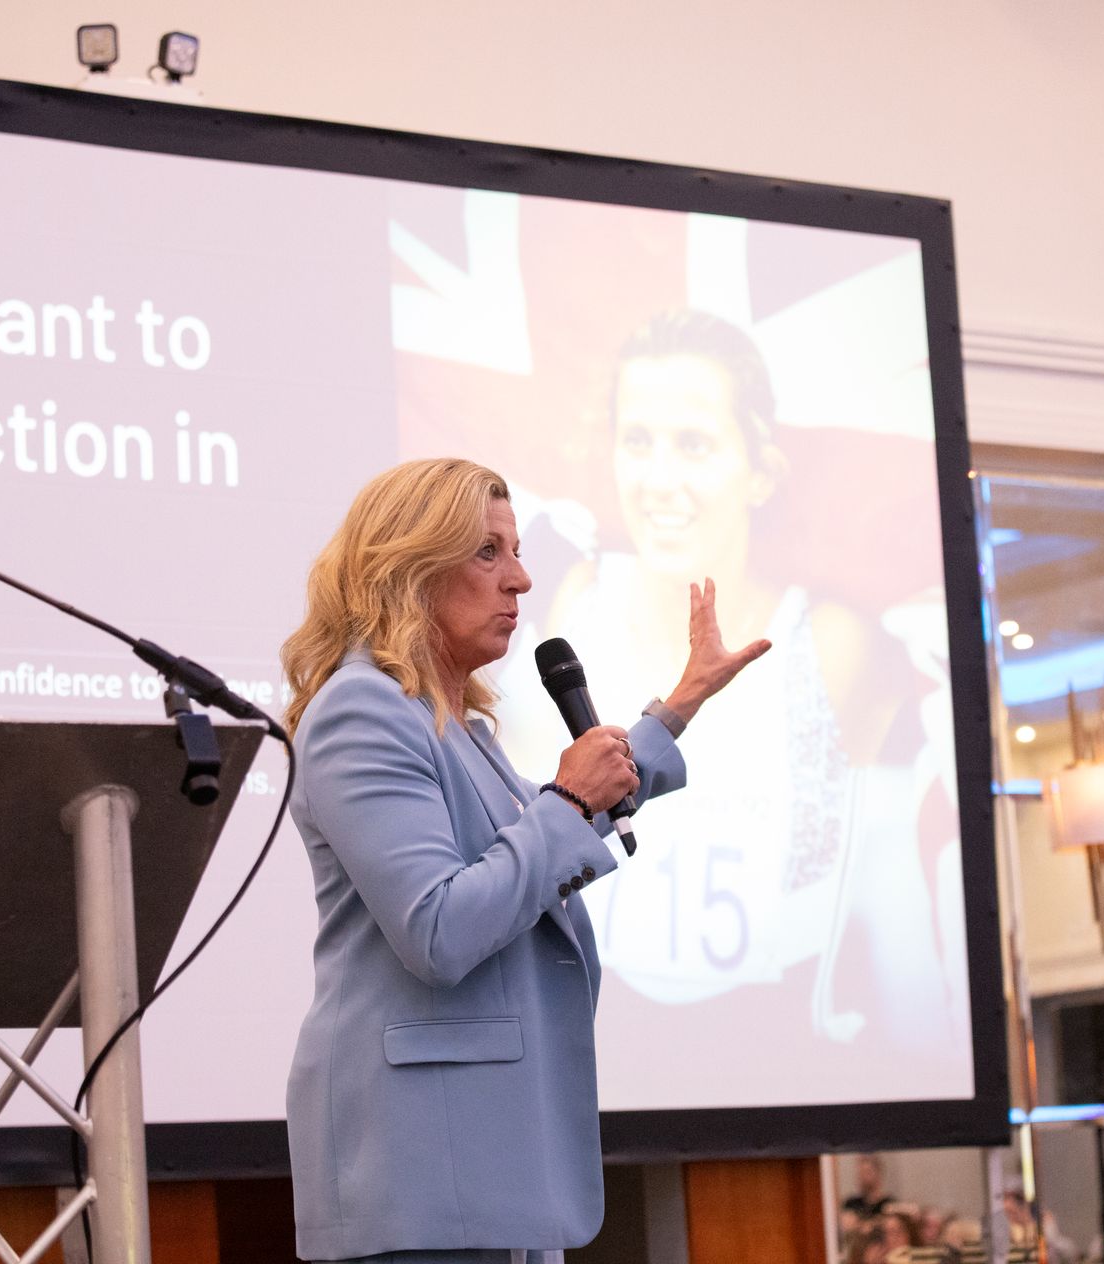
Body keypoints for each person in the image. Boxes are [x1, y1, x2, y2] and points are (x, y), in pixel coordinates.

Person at [280, 458, 769, 1262]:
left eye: (516, 551)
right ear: (408, 566)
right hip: (426, 1175)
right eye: (488, 553)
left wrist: (676, 708)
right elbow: (439, 927)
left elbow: (530, 848)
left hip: (490, 1168)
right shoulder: (360, 710)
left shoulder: (453, 724)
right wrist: (570, 804)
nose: (521, 578)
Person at [500, 309, 964, 1073]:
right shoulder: (569, 606)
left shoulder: (833, 642)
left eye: (694, 444)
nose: (659, 480)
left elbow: (887, 883)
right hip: (587, 1050)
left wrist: (928, 1061)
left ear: (761, 472)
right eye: (637, 441)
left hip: (778, 1054)